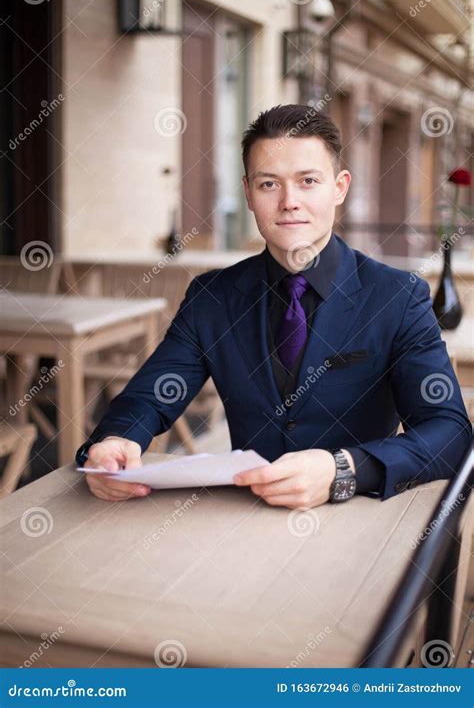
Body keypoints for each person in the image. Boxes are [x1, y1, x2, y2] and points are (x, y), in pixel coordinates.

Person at [75, 104, 471, 507]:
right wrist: (114, 442)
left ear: (339, 187)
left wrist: (344, 469)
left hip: (359, 519)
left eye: (308, 181)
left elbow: (449, 432)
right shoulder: (212, 297)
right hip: (244, 519)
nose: (289, 201)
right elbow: (148, 398)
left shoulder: (397, 296)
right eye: (269, 184)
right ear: (248, 193)